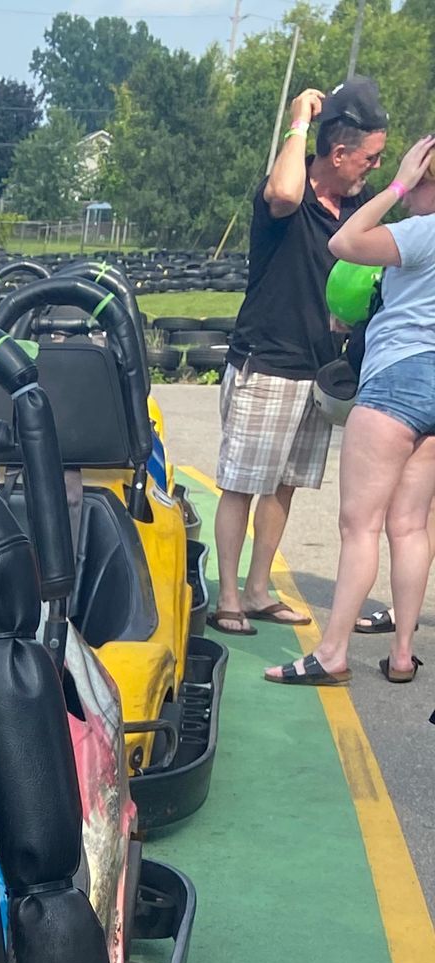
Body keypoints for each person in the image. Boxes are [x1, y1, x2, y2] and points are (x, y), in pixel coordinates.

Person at [213, 78, 389, 638]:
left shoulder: (355, 204)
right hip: (266, 358)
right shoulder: (285, 197)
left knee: (284, 485)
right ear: (336, 154)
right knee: (242, 483)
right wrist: (298, 122)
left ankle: (260, 588)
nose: (372, 169)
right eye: (369, 158)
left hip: (317, 367)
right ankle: (230, 597)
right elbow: (286, 192)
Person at [269, 133, 435, 685]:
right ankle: (404, 653)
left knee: (359, 524)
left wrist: (395, 186)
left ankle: (333, 652)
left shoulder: (421, 230)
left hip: (397, 378)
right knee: (410, 525)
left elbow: (343, 241)